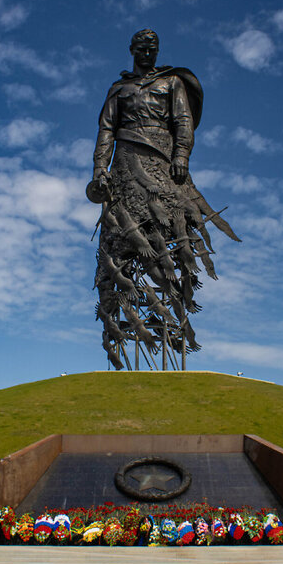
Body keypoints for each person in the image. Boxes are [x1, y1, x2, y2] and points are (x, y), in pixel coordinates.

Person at [89, 29, 239, 369]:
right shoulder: (120, 89)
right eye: (141, 47)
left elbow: (183, 122)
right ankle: (119, 326)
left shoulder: (172, 83)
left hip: (163, 164)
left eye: (152, 48)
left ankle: (175, 322)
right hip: (125, 166)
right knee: (120, 242)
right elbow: (106, 129)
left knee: (168, 236)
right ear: (131, 50)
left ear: (158, 51)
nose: (146, 52)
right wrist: (100, 168)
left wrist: (181, 155)